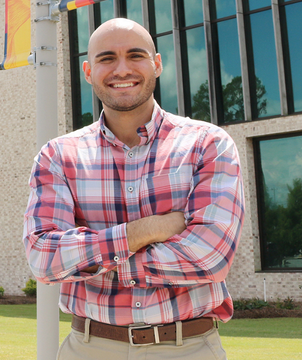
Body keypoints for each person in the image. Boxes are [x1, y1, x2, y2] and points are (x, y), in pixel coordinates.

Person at [23, 18, 244, 360]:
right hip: (88, 349)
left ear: (156, 64)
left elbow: (209, 257)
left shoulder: (208, 145)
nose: (121, 69)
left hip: (188, 349)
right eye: (107, 58)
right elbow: (43, 258)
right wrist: (145, 231)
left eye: (135, 55)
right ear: (88, 70)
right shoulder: (58, 156)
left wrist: (96, 260)